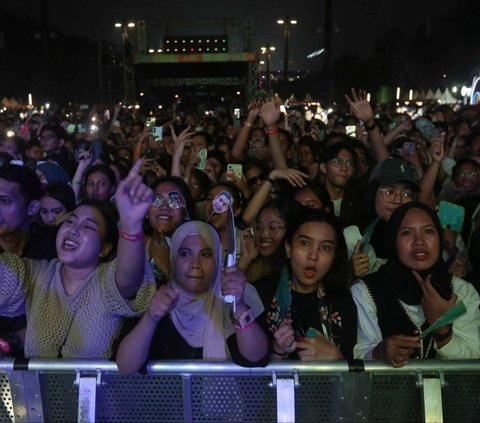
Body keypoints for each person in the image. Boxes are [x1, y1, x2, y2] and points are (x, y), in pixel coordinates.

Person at [0, 160, 156, 358]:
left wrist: (131, 224)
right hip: (38, 389)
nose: (74, 229)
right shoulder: (37, 273)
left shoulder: (106, 281)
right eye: (71, 221)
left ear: (105, 249)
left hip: (98, 390)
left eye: (88, 226)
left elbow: (129, 277)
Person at [115, 220, 270, 373]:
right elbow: (126, 366)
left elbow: (256, 357)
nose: (195, 263)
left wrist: (240, 307)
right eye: (185, 254)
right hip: (162, 398)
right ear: (173, 259)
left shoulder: (239, 294)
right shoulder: (154, 295)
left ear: (217, 260)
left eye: (205, 254)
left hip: (224, 399)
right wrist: (151, 316)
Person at [352, 202, 480, 367]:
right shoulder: (366, 290)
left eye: (428, 231)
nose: (419, 241)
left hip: (448, 393)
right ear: (393, 241)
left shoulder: (461, 290)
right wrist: (379, 352)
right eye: (407, 233)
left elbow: (475, 360)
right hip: (385, 392)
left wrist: (441, 329)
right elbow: (357, 355)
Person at [266, 207, 357, 361]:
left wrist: (336, 358)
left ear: (334, 256)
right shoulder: (261, 295)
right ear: (288, 248)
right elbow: (249, 377)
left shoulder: (343, 303)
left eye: (325, 247)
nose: (313, 256)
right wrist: (277, 352)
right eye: (305, 243)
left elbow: (351, 381)